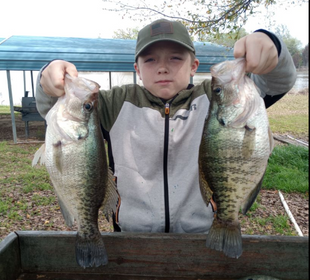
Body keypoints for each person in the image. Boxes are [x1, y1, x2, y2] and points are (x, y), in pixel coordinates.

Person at [36, 18, 297, 234]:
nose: (162, 68)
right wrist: (49, 77)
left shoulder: (216, 97)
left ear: (194, 66)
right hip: (131, 236)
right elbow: (58, 112)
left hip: (201, 234)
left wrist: (270, 44)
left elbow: (277, 82)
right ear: (137, 69)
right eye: (149, 60)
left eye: (175, 58)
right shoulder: (115, 103)